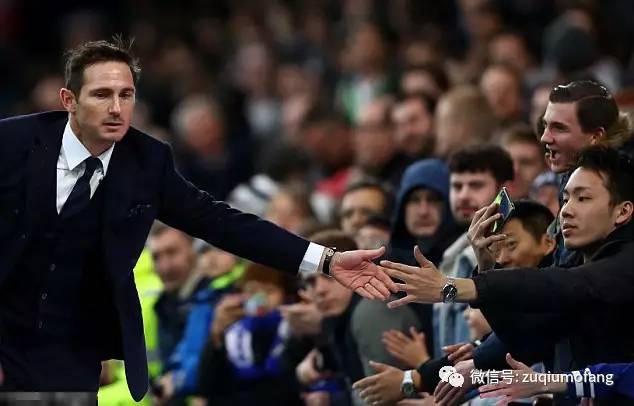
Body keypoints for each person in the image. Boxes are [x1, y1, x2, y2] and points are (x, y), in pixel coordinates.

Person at [0, 39, 396, 400]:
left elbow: (224, 224)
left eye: (126, 95)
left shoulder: (147, 163)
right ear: (69, 100)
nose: (117, 108)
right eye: (102, 94)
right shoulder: (12, 143)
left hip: (72, 348)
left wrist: (326, 259)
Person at [381, 146, 634, 405]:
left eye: (583, 198)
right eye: (566, 199)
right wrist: (415, 379)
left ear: (623, 211)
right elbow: (522, 340)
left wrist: (453, 288)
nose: (566, 210)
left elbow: (561, 286)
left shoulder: (622, 265)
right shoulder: (573, 268)